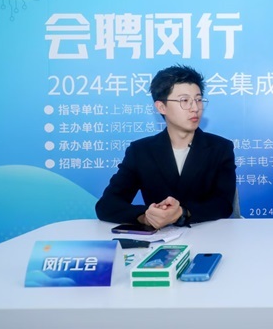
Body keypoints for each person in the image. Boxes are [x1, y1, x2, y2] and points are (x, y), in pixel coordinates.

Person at [95, 64, 236, 228]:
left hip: (207, 235)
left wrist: (182, 212)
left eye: (198, 99)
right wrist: (146, 216)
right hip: (159, 238)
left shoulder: (220, 148)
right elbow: (107, 205)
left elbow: (224, 204)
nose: (195, 108)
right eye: (184, 100)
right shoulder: (140, 151)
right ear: (161, 107)